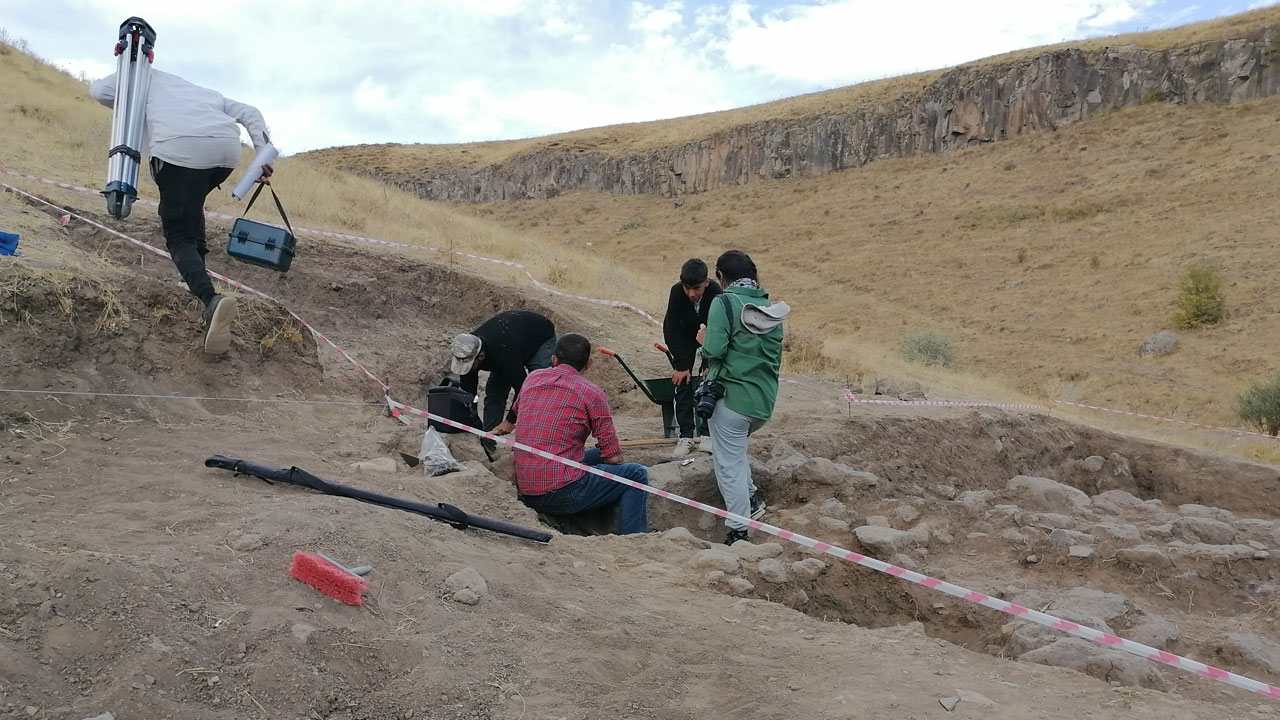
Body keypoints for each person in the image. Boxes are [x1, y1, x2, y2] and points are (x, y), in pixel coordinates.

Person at [90, 60, 274, 355]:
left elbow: (101, 92)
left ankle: (210, 299)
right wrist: (264, 157)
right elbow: (250, 113)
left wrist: (125, 96)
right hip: (225, 151)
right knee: (192, 210)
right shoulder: (204, 93)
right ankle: (193, 278)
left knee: (179, 236)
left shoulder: (142, 77)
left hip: (179, 149)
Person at [512, 333, 650, 534]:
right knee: (636, 474)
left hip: (527, 487)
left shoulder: (532, 378)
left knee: (593, 456)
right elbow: (613, 457)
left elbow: (516, 412)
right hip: (562, 493)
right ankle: (635, 537)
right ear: (589, 363)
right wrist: (614, 458)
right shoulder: (592, 392)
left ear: (554, 359)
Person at [698, 250, 790, 545]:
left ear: (721, 277)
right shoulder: (770, 309)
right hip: (761, 403)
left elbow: (713, 351)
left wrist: (703, 341)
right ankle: (751, 500)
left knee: (728, 464)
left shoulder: (723, 302)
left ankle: (739, 530)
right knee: (735, 453)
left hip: (731, 400)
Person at [449, 310, 556, 434]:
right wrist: (469, 421)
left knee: (538, 391)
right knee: (494, 394)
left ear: (481, 356)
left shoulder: (504, 356)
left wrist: (510, 420)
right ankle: (488, 441)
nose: (466, 369)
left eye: (469, 365)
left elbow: (524, 389)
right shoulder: (468, 352)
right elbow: (469, 392)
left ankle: (532, 440)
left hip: (539, 336)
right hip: (513, 342)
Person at [662, 258, 722, 457]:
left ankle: (707, 435)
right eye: (687, 288)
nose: (692, 294)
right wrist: (681, 364)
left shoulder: (716, 292)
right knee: (683, 383)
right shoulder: (676, 292)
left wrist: (709, 361)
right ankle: (685, 436)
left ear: (706, 282)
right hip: (684, 337)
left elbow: (720, 328)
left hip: (710, 336)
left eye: (696, 288)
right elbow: (671, 328)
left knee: (709, 383)